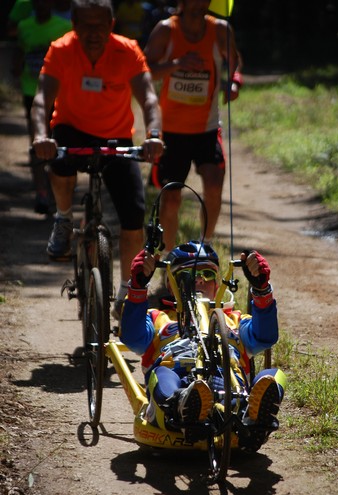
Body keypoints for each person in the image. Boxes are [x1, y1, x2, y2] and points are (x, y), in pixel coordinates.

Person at [31, 0, 164, 319]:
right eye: (86, 26)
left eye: (101, 25)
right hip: (70, 130)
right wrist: (40, 137)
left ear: (112, 23)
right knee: (59, 162)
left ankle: (124, 295)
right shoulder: (61, 50)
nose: (94, 33)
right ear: (74, 23)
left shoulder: (127, 50)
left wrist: (154, 135)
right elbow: (41, 100)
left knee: (134, 214)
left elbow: (148, 98)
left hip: (115, 137)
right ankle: (63, 218)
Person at [120, 241, 286, 451]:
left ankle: (253, 417)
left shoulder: (233, 320)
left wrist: (261, 288)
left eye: (207, 274)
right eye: (187, 275)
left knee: (274, 375)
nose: (199, 279)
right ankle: (182, 404)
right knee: (162, 373)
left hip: (230, 384)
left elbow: (265, 336)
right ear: (171, 284)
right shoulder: (159, 318)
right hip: (177, 378)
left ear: (217, 284)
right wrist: (137, 286)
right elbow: (132, 337)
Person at [143, 0, 242, 254]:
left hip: (207, 128)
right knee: (171, 198)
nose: (200, 3)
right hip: (171, 132)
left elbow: (234, 62)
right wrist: (176, 65)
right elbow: (145, 70)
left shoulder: (220, 30)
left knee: (214, 183)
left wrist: (234, 82)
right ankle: (167, 258)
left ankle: (204, 248)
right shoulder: (166, 30)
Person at [13, 0, 71, 214]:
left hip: (58, 93)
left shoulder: (64, 27)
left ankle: (56, 191)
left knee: (57, 141)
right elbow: (20, 50)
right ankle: (41, 191)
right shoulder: (25, 26)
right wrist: (17, 66)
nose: (42, 4)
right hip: (31, 90)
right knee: (37, 139)